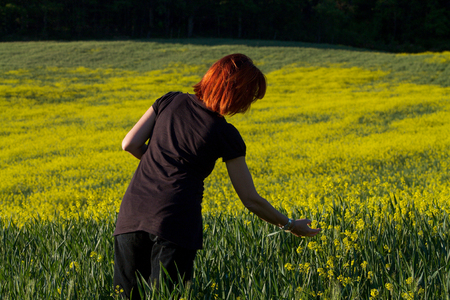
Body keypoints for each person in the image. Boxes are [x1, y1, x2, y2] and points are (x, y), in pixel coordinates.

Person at [113, 53, 321, 299]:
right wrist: (289, 225)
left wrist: (162, 163)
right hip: (174, 222)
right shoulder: (225, 133)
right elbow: (250, 199)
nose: (248, 104)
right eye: (250, 96)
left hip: (130, 217)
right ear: (236, 93)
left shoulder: (170, 100)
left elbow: (129, 143)